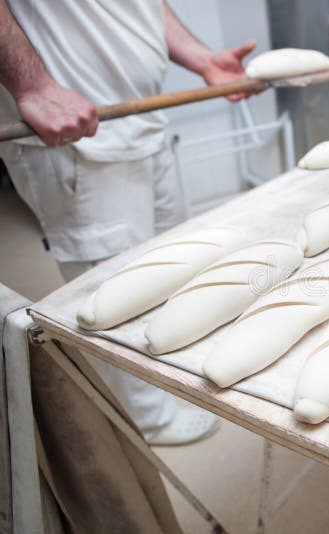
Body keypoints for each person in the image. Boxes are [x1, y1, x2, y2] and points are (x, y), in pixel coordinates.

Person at [0, 1, 259, 445]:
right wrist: (32, 84)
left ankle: (165, 380)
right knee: (112, 294)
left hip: (140, 121)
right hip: (77, 141)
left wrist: (201, 59)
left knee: (172, 270)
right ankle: (146, 419)